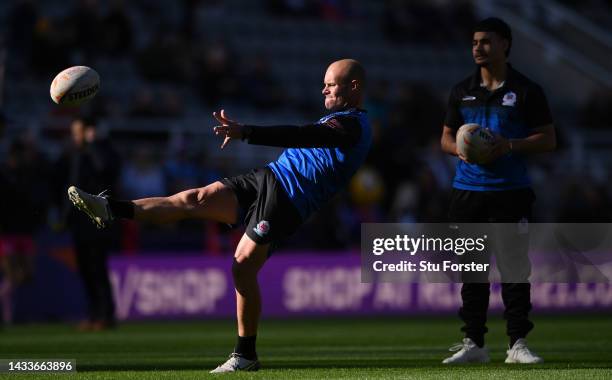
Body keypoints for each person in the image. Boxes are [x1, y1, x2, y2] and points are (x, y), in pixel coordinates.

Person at [67, 59, 371, 372]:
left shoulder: (352, 126)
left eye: (331, 84)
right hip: (268, 177)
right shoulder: (338, 119)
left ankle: (245, 355)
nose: (323, 89)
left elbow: (301, 135)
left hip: (288, 200)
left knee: (241, 268)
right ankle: (110, 208)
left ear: (354, 87)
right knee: (192, 198)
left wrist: (246, 132)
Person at [440, 18, 556, 364]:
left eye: (486, 42)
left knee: (514, 269)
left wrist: (509, 146)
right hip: (467, 193)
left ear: (505, 44)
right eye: (475, 42)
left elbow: (548, 139)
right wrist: (458, 149)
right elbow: (445, 137)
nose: (478, 48)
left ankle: (517, 343)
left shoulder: (527, 90)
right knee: (471, 271)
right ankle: (473, 343)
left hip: (510, 192)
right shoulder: (462, 91)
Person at [56, 117, 121, 331]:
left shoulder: (102, 151)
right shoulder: (73, 155)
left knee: (98, 268)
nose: (77, 136)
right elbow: (67, 185)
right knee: (85, 269)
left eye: (80, 131)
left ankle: (106, 314)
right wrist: (64, 217)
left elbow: (106, 170)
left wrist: (93, 145)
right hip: (78, 222)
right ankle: (93, 313)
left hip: (98, 220)